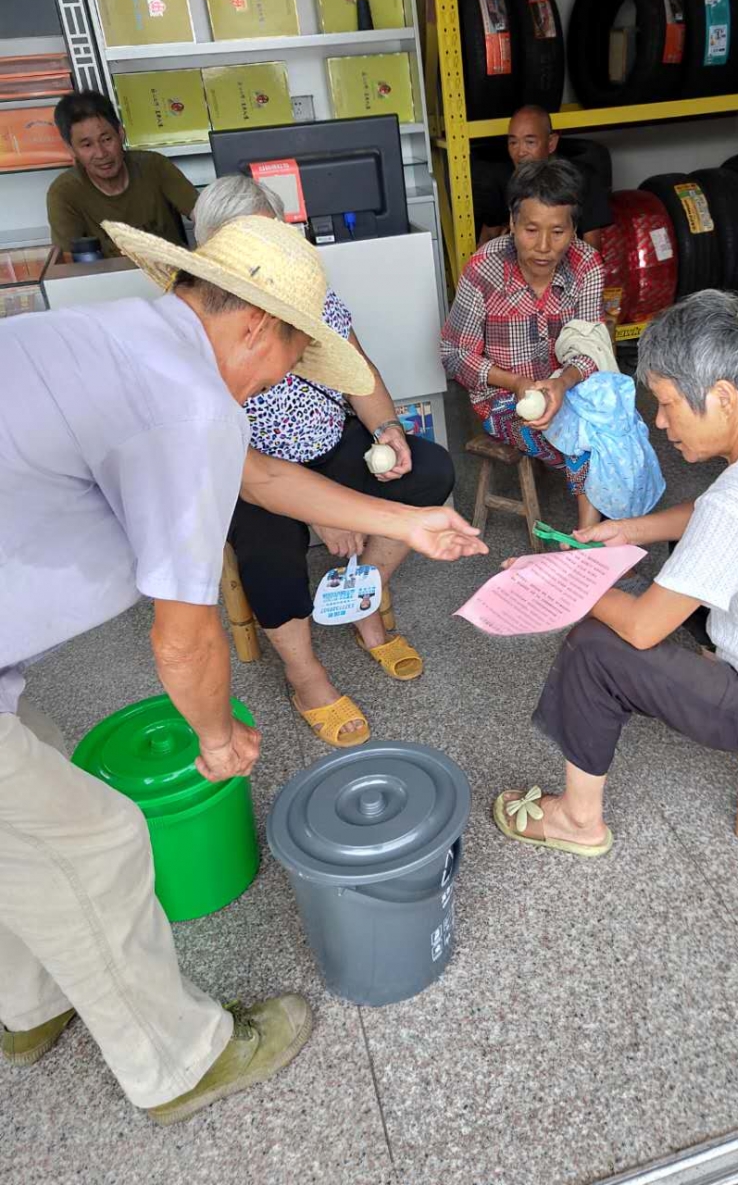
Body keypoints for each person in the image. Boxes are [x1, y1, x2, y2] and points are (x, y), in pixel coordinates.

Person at [0, 214, 486, 1123]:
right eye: (293, 358)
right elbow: (183, 638)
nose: (285, 378)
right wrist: (217, 735)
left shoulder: (137, 339)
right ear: (256, 326)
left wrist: (407, 522)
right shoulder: (181, 399)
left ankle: (28, 1003)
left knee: (27, 815)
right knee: (92, 841)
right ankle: (178, 1064)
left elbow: (256, 476)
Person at [492, 290, 738, 857]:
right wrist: (630, 531)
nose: (658, 422)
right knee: (669, 566)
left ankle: (577, 820)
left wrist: (563, 581)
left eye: (667, 403)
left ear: (724, 397)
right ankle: (708, 653)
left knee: (594, 644)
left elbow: (640, 630)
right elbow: (720, 517)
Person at [195, 175, 455, 746]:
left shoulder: (311, 295)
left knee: (430, 471)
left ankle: (359, 595)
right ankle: (303, 672)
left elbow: (357, 374)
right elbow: (236, 459)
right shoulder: (202, 327)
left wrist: (388, 428)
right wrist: (323, 513)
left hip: (329, 442)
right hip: (250, 469)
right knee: (267, 551)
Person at [441, 158, 606, 530]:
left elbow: (592, 348)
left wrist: (562, 383)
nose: (544, 246)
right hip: (501, 400)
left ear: (574, 228)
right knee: (583, 440)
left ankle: (607, 530)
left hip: (571, 387)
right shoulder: (483, 269)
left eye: (558, 232)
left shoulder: (587, 265)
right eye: (531, 230)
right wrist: (516, 384)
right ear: (512, 223)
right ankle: (589, 538)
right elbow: (453, 355)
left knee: (619, 428)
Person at [47, 90, 198, 260]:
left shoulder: (155, 166)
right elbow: (68, 264)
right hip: (110, 284)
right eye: (87, 145)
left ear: (121, 134)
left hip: (176, 278)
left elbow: (203, 214)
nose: (101, 153)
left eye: (106, 139)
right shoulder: (64, 194)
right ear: (71, 150)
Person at [472, 105, 612, 248]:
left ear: (551, 143)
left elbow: (593, 247)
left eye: (530, 142)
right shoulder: (502, 180)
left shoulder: (583, 179)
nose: (520, 152)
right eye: (513, 142)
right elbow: (488, 237)